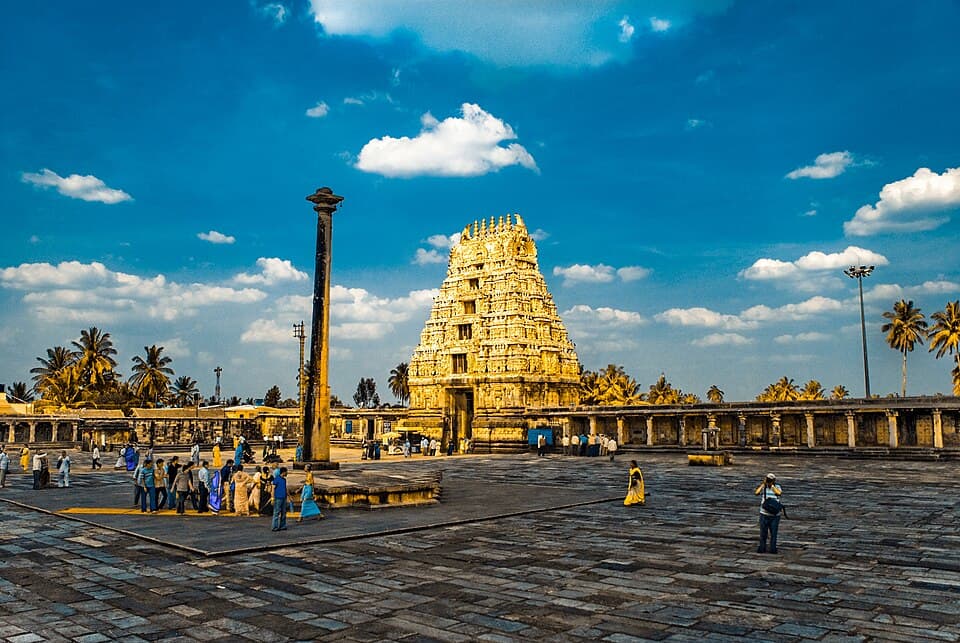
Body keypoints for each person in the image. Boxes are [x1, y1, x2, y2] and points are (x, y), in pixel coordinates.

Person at [755, 472, 783, 554]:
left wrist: (772, 486)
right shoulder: (764, 487)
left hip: (775, 515)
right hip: (764, 513)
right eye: (768, 480)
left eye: (771, 480)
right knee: (763, 533)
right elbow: (756, 493)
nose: (769, 481)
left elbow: (779, 493)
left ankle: (773, 549)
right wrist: (763, 484)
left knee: (773, 533)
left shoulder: (777, 487)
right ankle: (762, 548)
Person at [271, 467, 292, 531]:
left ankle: (282, 525)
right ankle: (275, 526)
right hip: (278, 498)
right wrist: (272, 497)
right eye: (286, 472)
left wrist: (289, 496)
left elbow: (285, 488)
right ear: (283, 472)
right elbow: (273, 489)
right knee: (276, 512)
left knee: (283, 512)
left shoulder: (284, 480)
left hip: (283, 497)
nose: (287, 473)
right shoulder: (277, 479)